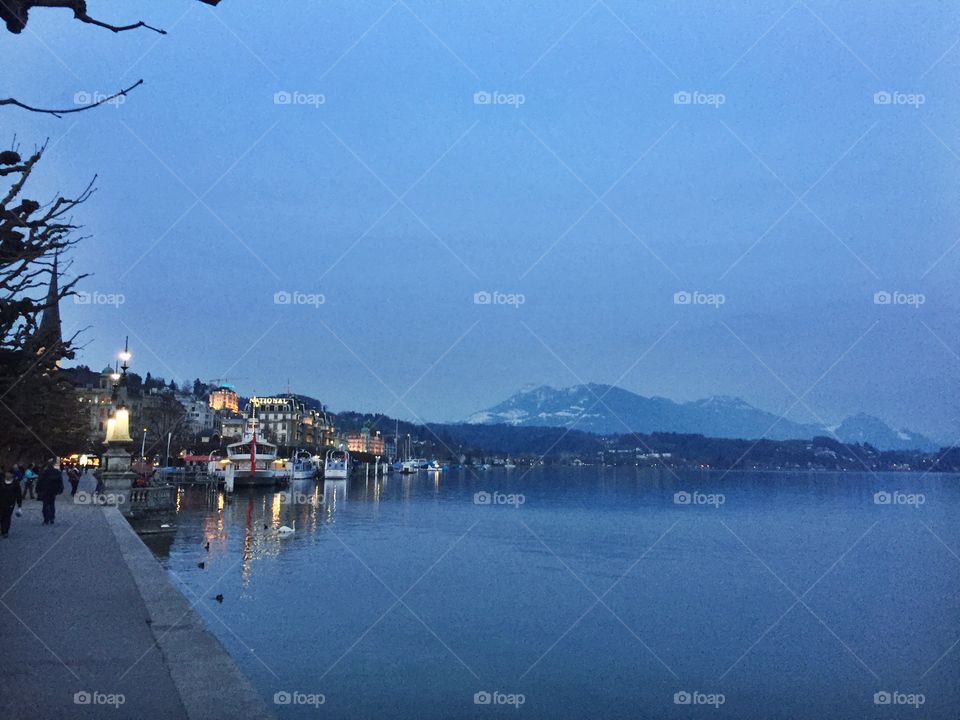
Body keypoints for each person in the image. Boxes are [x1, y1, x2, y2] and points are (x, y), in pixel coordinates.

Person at [36, 459, 63, 525]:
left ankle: (46, 519)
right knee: (51, 504)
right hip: (53, 491)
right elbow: (60, 482)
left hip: (45, 490)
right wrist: (60, 489)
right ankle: (51, 518)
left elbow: (40, 481)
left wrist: (38, 489)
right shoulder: (57, 472)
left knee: (45, 505)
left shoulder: (44, 472)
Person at [0, 468, 23, 538]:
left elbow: (19, 494)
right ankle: (2, 529)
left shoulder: (15, 483)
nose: (8, 474)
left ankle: (5, 531)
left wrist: (19, 505)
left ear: (12, 475)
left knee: (7, 517)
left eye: (9, 473)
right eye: (7, 473)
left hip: (10, 503)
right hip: (1, 502)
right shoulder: (1, 481)